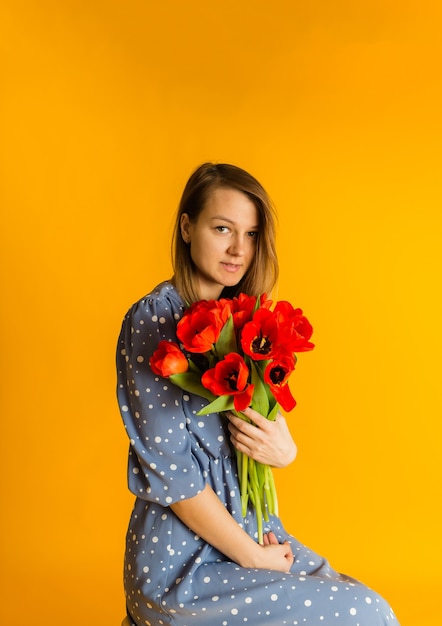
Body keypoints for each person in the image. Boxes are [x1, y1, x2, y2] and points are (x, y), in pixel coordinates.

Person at [116, 162, 399, 625]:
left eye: (250, 234)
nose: (237, 249)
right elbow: (174, 475)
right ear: (187, 227)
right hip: (182, 568)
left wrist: (284, 452)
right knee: (361, 615)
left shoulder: (242, 319)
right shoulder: (153, 320)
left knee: (376, 612)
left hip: (257, 537)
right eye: (222, 228)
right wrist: (252, 557)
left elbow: (255, 439)